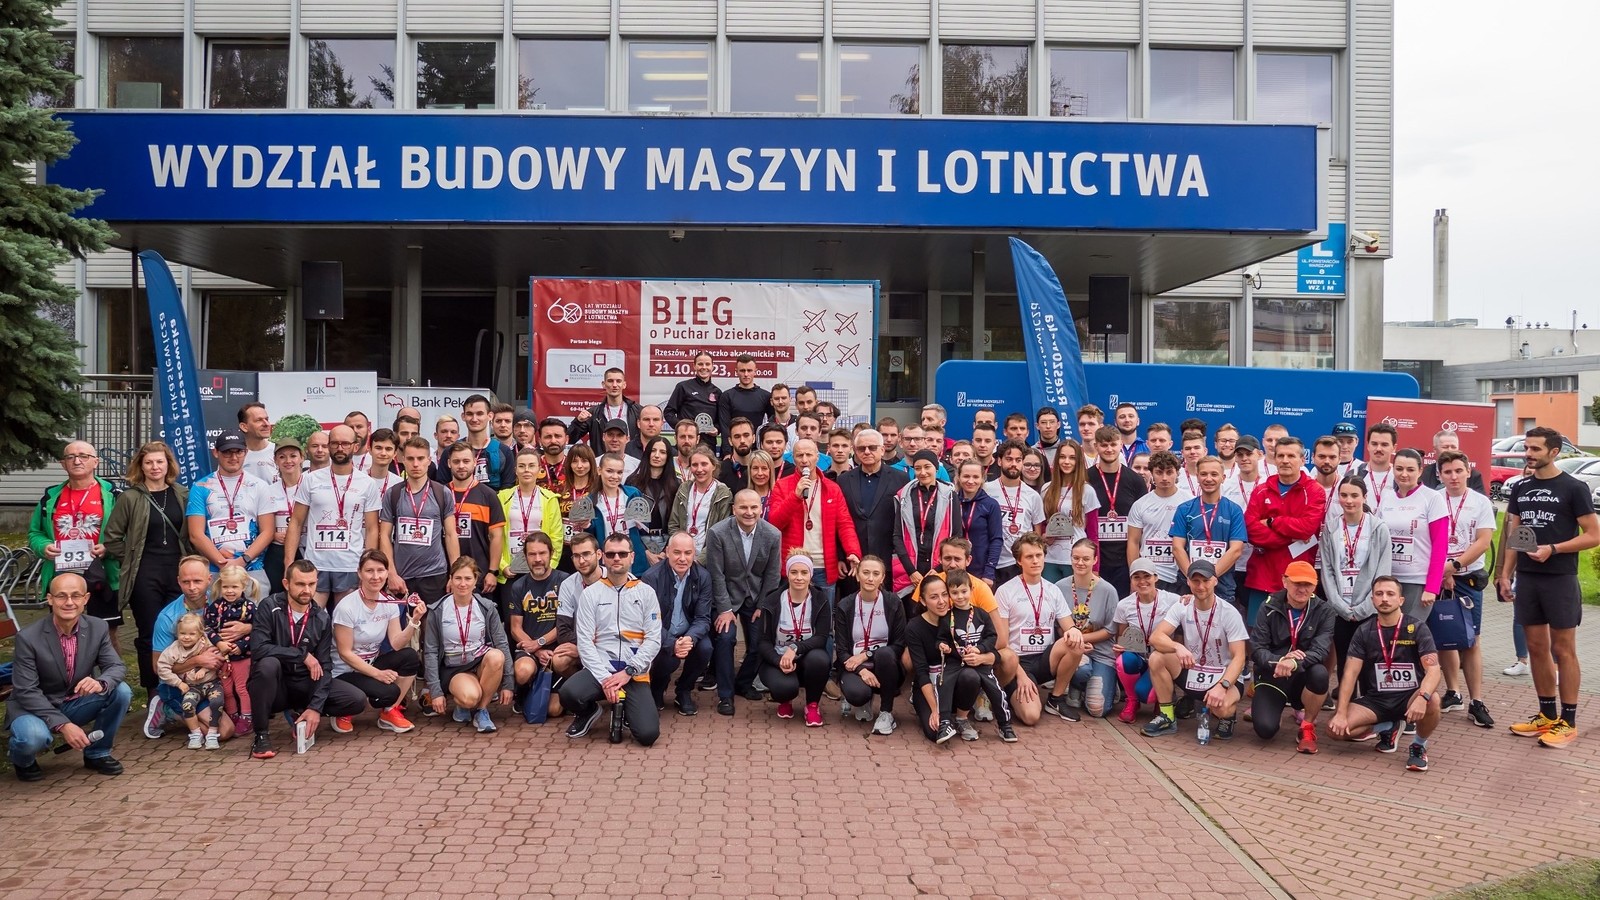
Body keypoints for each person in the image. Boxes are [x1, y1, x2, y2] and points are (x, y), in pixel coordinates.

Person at [1500, 426, 1599, 748]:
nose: (1528, 454)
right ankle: (1546, 715)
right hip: (1528, 578)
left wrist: (1553, 549)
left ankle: (1568, 721)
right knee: (1536, 647)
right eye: (1526, 448)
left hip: (1559, 578)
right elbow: (1515, 535)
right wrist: (1505, 574)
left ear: (1553, 452)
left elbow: (1593, 535)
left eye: (1535, 449)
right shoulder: (1521, 487)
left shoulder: (1574, 487)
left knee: (1563, 650)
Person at [6, 573, 133, 781]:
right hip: (33, 708)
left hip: (73, 702)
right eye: (61, 596)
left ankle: (97, 753)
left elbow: (116, 666)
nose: (69, 602)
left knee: (121, 691)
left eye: (76, 595)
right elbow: (26, 691)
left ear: (86, 599)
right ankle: (23, 760)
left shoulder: (98, 627)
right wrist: (64, 725)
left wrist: (100, 682)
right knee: (33, 738)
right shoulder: (28, 637)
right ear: (50, 599)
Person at [245, 560, 369, 760]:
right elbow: (259, 648)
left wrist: (315, 708)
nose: (307, 590)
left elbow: (325, 665)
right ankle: (261, 735)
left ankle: (303, 713)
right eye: (300, 584)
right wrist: (301, 655)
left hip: (304, 683)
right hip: (276, 686)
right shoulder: (269, 606)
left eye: (311, 584)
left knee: (356, 700)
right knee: (268, 664)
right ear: (286, 584)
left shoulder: (321, 617)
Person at [102, 440, 192, 698]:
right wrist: (131, 557)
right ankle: (153, 688)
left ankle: (180, 685)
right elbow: (111, 538)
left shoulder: (182, 494)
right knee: (150, 631)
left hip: (177, 571)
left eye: (159, 461)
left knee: (180, 628)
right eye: (149, 462)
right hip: (145, 574)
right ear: (141, 466)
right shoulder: (130, 497)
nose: (155, 467)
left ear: (168, 464)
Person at [1327, 576, 1442, 772]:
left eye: (1390, 594)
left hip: (1409, 697)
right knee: (1334, 730)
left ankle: (1418, 746)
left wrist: (1422, 697)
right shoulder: (1364, 631)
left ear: (1401, 600)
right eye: (1379, 594)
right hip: (1376, 700)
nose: (1385, 599)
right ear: (1372, 600)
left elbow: (1433, 670)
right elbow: (1350, 674)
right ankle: (1388, 727)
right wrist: (1341, 713)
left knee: (1433, 699)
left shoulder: (1417, 628)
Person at [560, 535, 661, 745]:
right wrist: (606, 679)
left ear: (632, 557)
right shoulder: (591, 594)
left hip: (633, 673)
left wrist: (629, 671)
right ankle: (589, 711)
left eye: (622, 554)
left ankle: (627, 711)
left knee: (648, 735)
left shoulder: (647, 593)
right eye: (611, 554)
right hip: (601, 669)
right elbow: (585, 642)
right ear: (603, 557)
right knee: (569, 693)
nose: (616, 558)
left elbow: (653, 640)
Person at [1141, 560, 1249, 741]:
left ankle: (1228, 717)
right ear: (1188, 582)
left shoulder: (1229, 612)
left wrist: (1222, 687)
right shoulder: (1182, 606)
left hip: (1223, 676)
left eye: (1206, 581)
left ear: (1215, 581)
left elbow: (1239, 657)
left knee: (1221, 709)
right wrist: (1177, 647)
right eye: (1195, 581)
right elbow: (1156, 637)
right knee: (1157, 657)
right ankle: (1167, 717)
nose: (1201, 586)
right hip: (1193, 669)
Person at [30, 440, 122, 644]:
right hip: (61, 576)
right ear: (63, 464)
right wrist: (43, 546)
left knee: (106, 635)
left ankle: (108, 667)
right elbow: (35, 533)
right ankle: (65, 665)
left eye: (83, 456)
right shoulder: (50, 497)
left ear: (96, 462)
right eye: (70, 457)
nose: (77, 461)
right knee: (62, 634)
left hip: (102, 575)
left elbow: (127, 533)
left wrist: (109, 547)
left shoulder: (114, 496)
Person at [329, 550, 424, 735]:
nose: (375, 576)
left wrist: (414, 621)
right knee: (383, 693)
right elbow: (344, 653)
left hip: (370, 665)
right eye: (369, 571)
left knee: (410, 657)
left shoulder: (389, 603)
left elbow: (396, 644)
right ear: (359, 573)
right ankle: (344, 708)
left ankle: (389, 712)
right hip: (345, 671)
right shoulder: (346, 607)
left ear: (387, 573)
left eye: (380, 570)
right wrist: (378, 674)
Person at [284, 424, 381, 607]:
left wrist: (367, 566)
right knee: (308, 618)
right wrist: (289, 563)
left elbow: (372, 528)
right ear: (329, 446)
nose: (340, 448)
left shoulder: (367, 483)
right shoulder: (310, 479)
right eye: (335, 443)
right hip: (315, 564)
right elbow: (296, 522)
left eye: (345, 444)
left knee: (345, 620)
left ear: (355, 446)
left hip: (350, 565)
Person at [993, 532, 1084, 725]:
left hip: (1044, 659)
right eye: (1029, 557)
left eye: (1039, 555)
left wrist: (1074, 631)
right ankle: (1005, 691)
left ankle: (1056, 699)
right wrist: (1021, 676)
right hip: (1017, 662)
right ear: (1019, 561)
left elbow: (1069, 626)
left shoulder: (1053, 590)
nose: (1035, 561)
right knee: (1031, 716)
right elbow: (1002, 643)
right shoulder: (1005, 591)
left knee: (1076, 643)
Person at [705, 490, 783, 713]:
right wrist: (724, 609)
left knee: (760, 642)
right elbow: (716, 574)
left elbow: (772, 575)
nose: (749, 512)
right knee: (726, 638)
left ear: (761, 508)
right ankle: (726, 695)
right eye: (743, 507)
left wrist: (762, 606)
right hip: (727, 597)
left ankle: (743, 683)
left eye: (754, 507)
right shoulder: (717, 533)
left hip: (756, 597)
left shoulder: (772, 534)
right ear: (734, 509)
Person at [1317, 476, 1392, 706]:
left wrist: (1366, 606)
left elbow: (1382, 572)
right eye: (1344, 495)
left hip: (1367, 607)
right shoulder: (1331, 528)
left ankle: (1369, 709)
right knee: (1344, 658)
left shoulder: (1378, 528)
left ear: (1364, 497)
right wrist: (1338, 605)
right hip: (1340, 607)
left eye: (1354, 495)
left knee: (1369, 660)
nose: (1349, 501)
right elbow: (1327, 570)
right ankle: (1345, 708)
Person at [1435, 450, 1497, 728]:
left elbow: (1483, 541)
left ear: (1468, 472)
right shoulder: (1433, 499)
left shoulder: (1480, 502)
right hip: (1437, 577)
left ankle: (1477, 701)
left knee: (1471, 641)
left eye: (1459, 471)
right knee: (1444, 636)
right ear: (1440, 475)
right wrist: (1442, 572)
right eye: (1447, 472)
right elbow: (1429, 538)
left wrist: (1453, 567)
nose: (1454, 477)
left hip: (1467, 577)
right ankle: (1453, 692)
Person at [1249, 562, 1335, 753]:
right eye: (1297, 583)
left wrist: (1294, 662)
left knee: (1320, 674)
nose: (1302, 589)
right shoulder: (1268, 606)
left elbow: (1320, 650)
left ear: (1315, 585)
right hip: (1274, 674)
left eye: (1308, 584)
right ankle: (1274, 709)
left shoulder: (1325, 611)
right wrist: (1280, 660)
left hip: (1303, 675)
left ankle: (1307, 727)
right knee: (1265, 730)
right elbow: (1257, 649)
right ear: (1285, 581)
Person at [421, 557, 513, 733]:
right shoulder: (438, 610)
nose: (462, 584)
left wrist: (508, 683)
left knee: (497, 656)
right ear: (450, 579)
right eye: (458, 578)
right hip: (454, 668)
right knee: (470, 698)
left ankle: (482, 711)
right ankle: (465, 703)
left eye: (468, 578)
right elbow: (430, 652)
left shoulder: (486, 607)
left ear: (475, 580)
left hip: (479, 662)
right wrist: (436, 691)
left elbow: (501, 643)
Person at [1243, 436, 1326, 626]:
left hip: (1299, 579)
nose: (1285, 460)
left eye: (1291, 456)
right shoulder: (1261, 490)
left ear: (1302, 460)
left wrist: (1272, 522)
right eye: (1280, 456)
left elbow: (1307, 528)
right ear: (1274, 459)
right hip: (1263, 576)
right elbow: (1251, 530)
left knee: (1296, 635)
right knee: (1259, 634)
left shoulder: (1315, 491)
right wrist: (1290, 537)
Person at [187, 429, 276, 597]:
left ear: (246, 452)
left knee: (256, 614)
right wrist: (222, 563)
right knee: (215, 614)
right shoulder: (200, 487)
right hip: (215, 570)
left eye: (238, 452)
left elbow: (268, 531)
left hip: (252, 568)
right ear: (216, 453)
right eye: (227, 452)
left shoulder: (260, 486)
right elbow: (196, 534)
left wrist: (242, 560)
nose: (233, 457)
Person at [378, 436, 462, 604]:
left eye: (420, 458)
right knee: (403, 621)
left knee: (432, 621)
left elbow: (451, 534)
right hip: (402, 576)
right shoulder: (393, 493)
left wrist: (455, 574)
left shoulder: (442, 493)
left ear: (429, 461)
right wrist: (391, 574)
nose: (415, 464)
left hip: (435, 575)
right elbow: (385, 536)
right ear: (403, 460)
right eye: (410, 459)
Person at [640, 531, 713, 716]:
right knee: (669, 658)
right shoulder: (651, 577)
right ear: (667, 552)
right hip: (661, 632)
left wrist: (689, 638)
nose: (682, 558)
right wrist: (672, 643)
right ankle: (657, 689)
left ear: (694, 554)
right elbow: (648, 621)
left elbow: (703, 618)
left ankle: (684, 690)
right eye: (677, 552)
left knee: (705, 648)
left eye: (688, 553)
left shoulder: (703, 576)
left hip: (688, 632)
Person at [756, 555, 833, 726]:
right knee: (785, 689)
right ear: (787, 573)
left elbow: (821, 638)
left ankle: (812, 706)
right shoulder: (772, 600)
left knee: (820, 659)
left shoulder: (820, 599)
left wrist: (795, 648)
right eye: (794, 572)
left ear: (811, 575)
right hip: (777, 659)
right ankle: (785, 700)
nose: (799, 577)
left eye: (804, 572)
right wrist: (778, 661)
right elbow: (763, 641)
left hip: (805, 659)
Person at [836, 556, 906, 735]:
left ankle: (886, 713)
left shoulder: (893, 602)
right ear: (857, 575)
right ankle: (863, 699)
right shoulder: (845, 605)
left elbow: (899, 645)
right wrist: (861, 670)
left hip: (885, 665)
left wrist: (867, 654)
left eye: (876, 574)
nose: (870, 578)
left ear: (883, 578)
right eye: (865, 573)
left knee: (885, 654)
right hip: (854, 666)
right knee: (857, 695)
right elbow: (842, 651)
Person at [942, 570, 1015, 741]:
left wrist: (980, 649)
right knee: (944, 685)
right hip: (956, 662)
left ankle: (1005, 725)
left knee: (996, 691)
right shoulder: (946, 617)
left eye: (963, 591)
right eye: (954, 592)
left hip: (980, 662)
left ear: (971, 589)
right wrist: (944, 647)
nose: (960, 596)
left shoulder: (982, 614)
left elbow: (992, 636)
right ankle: (944, 721)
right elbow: (941, 638)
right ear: (949, 594)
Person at [835, 429, 911, 592]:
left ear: (882, 450)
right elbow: (838, 521)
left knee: (885, 604)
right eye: (862, 448)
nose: (867, 452)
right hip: (853, 560)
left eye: (872, 447)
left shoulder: (901, 478)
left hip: (887, 558)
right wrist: (840, 557)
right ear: (855, 452)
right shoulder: (843, 480)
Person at [1053, 539, 1120, 719]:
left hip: (1101, 653)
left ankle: (1109, 684)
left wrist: (1082, 639)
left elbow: (1110, 630)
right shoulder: (1059, 587)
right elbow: (1058, 626)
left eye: (1086, 559)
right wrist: (1076, 644)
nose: (1080, 563)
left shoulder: (1108, 590)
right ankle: (1077, 685)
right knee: (1082, 669)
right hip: (1072, 649)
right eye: (1076, 558)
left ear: (1095, 560)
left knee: (1097, 709)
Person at [1380, 449, 1449, 620]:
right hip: (1389, 579)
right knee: (1388, 631)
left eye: (1410, 469)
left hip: (1417, 581)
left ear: (1420, 471)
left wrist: (1432, 587)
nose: (1404, 474)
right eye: (1399, 469)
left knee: (1409, 632)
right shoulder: (1386, 498)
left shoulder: (1432, 498)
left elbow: (1440, 546)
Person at [1170, 456, 1247, 606]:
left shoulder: (1234, 510)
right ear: (1197, 477)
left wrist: (1209, 579)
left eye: (1214, 474)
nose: (1209, 479)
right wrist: (1194, 579)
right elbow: (1177, 548)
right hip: (1189, 584)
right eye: (1204, 474)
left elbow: (1236, 550)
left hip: (1222, 585)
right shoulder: (1184, 509)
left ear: (1223, 478)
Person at [1111, 558, 1181, 724]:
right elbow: (1122, 636)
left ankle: (1161, 699)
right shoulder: (1124, 605)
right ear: (1131, 580)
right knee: (1123, 660)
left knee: (1145, 694)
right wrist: (1120, 647)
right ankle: (1131, 701)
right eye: (1137, 577)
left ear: (1156, 577)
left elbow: (1183, 626)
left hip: (1160, 658)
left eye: (1147, 576)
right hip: (1139, 657)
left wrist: (1189, 597)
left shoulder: (1173, 600)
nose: (1142, 581)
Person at [505, 533, 566, 716]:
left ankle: (555, 690)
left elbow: (565, 624)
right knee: (523, 671)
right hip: (529, 648)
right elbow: (515, 628)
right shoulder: (518, 586)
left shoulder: (565, 581)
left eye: (542, 553)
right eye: (532, 554)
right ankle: (524, 693)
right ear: (525, 557)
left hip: (558, 648)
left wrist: (540, 643)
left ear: (551, 553)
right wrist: (536, 649)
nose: (537, 559)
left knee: (553, 711)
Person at [891, 450, 960, 602]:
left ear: (936, 468)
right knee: (911, 611)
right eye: (917, 468)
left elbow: (956, 535)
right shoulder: (904, 496)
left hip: (938, 567)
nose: (922, 472)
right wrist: (911, 571)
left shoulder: (950, 495)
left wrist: (938, 569)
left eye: (927, 467)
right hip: (910, 568)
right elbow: (897, 536)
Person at [1088, 425, 1148, 598]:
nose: (1109, 449)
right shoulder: (1085, 478)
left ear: (1121, 445)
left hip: (1124, 561)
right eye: (1104, 445)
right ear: (1096, 446)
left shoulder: (1135, 480)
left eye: (1113, 444)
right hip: (1095, 560)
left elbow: (1142, 522)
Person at [443, 441, 508, 594]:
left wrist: (493, 571)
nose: (461, 466)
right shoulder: (440, 493)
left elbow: (497, 536)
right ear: (449, 463)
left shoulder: (488, 495)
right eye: (456, 461)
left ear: (474, 462)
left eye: (466, 461)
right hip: (445, 573)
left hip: (480, 573)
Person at [203, 566, 260, 734]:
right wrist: (219, 643)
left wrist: (241, 646)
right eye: (226, 586)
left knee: (242, 687)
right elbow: (207, 628)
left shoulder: (250, 608)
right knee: (226, 689)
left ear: (243, 586)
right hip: (222, 656)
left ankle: (247, 717)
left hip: (242, 657)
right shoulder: (215, 607)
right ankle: (233, 715)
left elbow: (258, 630)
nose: (229, 591)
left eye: (234, 586)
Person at [157, 614, 224, 750]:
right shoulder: (173, 650)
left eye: (192, 634)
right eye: (182, 633)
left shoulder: (206, 643)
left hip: (212, 684)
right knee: (187, 705)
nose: (186, 637)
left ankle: (212, 734)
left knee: (217, 702)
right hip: (192, 687)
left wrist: (204, 669)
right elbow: (161, 667)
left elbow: (219, 654)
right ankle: (195, 734)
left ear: (200, 634)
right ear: (177, 633)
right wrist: (178, 683)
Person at [496, 447, 562, 584]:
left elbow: (556, 537)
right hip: (511, 570)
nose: (526, 470)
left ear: (539, 469)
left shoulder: (550, 498)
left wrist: (549, 566)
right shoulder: (502, 498)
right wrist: (502, 566)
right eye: (522, 466)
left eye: (531, 466)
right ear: (515, 470)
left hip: (541, 568)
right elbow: (494, 536)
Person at [984, 441, 1047, 583]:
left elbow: (1036, 535)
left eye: (1018, 460)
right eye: (1009, 459)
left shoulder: (1032, 496)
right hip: (991, 562)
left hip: (1018, 564)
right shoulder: (986, 490)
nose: (1014, 464)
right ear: (999, 461)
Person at [1039, 440, 1101, 584]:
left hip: (1077, 559)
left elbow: (1093, 534)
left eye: (1072, 458)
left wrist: (1095, 567)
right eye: (1062, 457)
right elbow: (1042, 524)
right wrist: (1044, 536)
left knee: (1076, 598)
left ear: (1078, 461)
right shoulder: (1046, 489)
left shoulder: (1087, 491)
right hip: (1050, 559)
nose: (1066, 462)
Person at [1126, 450, 1187, 594]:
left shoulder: (1189, 502)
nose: (1164, 477)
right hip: (1150, 574)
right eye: (1159, 472)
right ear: (1152, 474)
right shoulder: (1140, 504)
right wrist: (1134, 575)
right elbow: (1133, 542)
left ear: (1177, 473)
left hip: (1180, 575)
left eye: (1169, 472)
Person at [668, 446, 733, 560]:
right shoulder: (684, 489)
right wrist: (683, 554)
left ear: (714, 466)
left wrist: (700, 560)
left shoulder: (723, 493)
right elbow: (673, 524)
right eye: (694, 465)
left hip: (709, 558)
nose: (699, 469)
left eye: (704, 464)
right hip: (683, 558)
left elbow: (722, 533)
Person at [627, 435, 680, 567]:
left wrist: (667, 550)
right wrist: (644, 551)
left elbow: (678, 522)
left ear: (668, 456)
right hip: (639, 543)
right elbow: (628, 522)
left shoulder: (676, 485)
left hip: (667, 542)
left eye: (662, 452)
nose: (657, 455)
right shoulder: (633, 482)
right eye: (653, 451)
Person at [953, 461, 1003, 587]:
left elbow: (996, 540)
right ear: (959, 477)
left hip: (981, 571)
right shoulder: (952, 502)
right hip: (955, 568)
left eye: (975, 477)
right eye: (966, 476)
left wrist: (989, 572)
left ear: (982, 479)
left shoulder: (991, 505)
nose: (971, 481)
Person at [263, 437, 304, 589]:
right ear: (275, 460)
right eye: (282, 457)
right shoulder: (268, 490)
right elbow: (259, 523)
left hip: (305, 547)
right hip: (278, 550)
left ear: (302, 458)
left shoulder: (311, 486)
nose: (288, 461)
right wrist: (273, 535)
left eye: (293, 456)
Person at [568, 367, 643, 449]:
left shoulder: (637, 411)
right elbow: (568, 440)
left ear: (624, 385)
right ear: (604, 384)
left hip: (630, 457)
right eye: (610, 381)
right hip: (602, 457)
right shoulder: (593, 413)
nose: (614, 385)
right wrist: (578, 422)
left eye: (618, 381)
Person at [664, 351, 724, 450]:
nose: (704, 367)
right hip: (686, 443)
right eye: (700, 364)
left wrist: (717, 429)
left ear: (713, 366)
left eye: (707, 364)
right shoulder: (683, 387)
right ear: (694, 366)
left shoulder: (717, 392)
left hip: (708, 445)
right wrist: (682, 427)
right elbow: (668, 412)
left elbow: (721, 420)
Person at [459, 394, 515, 489]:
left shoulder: (504, 452)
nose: (474, 419)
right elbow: (443, 488)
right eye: (469, 414)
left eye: (479, 414)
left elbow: (508, 490)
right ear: (463, 416)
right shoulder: (451, 451)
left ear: (490, 416)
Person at [718, 353, 772, 438]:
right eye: (742, 371)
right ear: (736, 371)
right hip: (734, 445)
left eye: (749, 370)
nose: (746, 374)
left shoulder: (766, 396)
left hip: (757, 445)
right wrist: (727, 447)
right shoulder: (727, 396)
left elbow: (772, 424)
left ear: (755, 371)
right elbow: (725, 429)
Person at [1421, 430, 1488, 494]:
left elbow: (1479, 499)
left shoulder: (1474, 476)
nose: (1450, 450)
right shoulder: (1423, 474)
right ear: (1435, 450)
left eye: (1453, 447)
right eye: (1445, 447)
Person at [238, 402, 277, 481]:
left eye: (266, 419)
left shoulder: (278, 451)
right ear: (244, 427)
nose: (266, 424)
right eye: (259, 420)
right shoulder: (234, 456)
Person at [718, 417, 759, 492]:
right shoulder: (720, 470)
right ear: (730, 441)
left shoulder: (761, 469)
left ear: (753, 438)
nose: (742, 440)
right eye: (737, 437)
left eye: (746, 435)